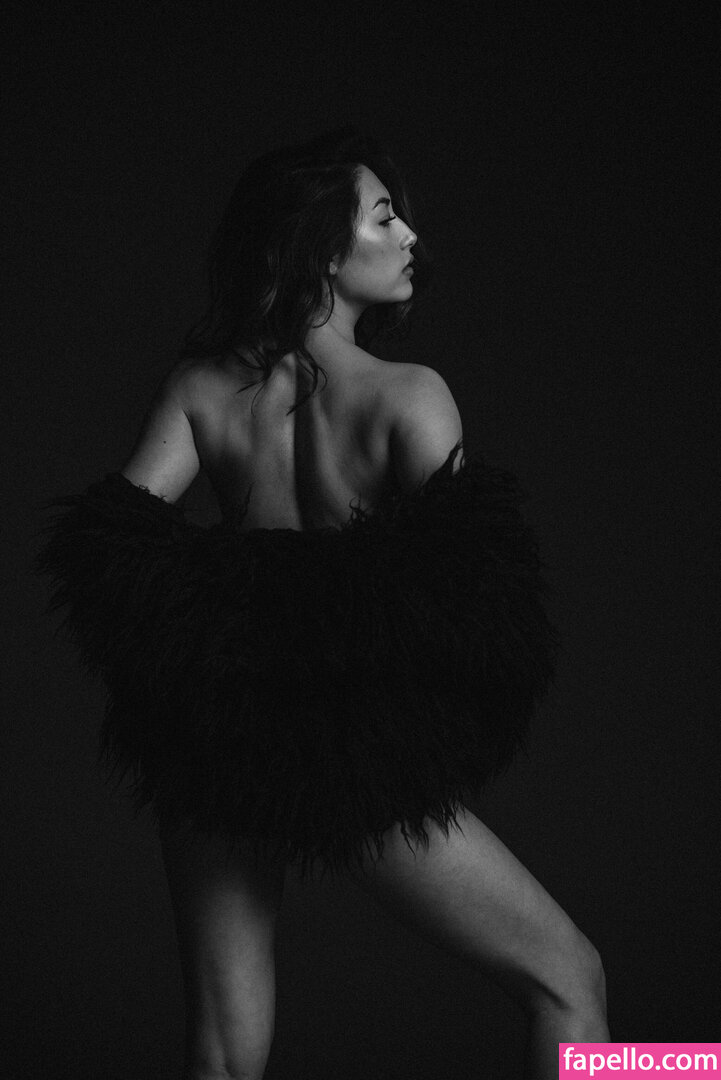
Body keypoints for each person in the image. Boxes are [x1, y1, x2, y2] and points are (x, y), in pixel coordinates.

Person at [36, 126, 609, 1080]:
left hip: (213, 743)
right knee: (570, 979)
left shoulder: (200, 388)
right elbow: (471, 587)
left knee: (224, 1053)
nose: (410, 236)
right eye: (384, 217)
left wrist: (215, 640)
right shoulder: (409, 396)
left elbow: (112, 545)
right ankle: (679, 1066)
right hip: (349, 751)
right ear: (324, 252)